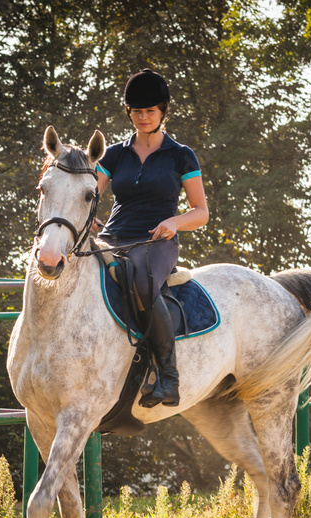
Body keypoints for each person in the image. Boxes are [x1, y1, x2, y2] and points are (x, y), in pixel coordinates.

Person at [95, 68, 209, 408]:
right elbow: (91, 194)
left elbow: (200, 212)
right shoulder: (114, 155)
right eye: (136, 111)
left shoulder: (181, 155)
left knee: (143, 284)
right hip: (113, 235)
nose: (142, 117)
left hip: (156, 241)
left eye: (150, 111)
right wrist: (85, 221)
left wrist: (174, 222)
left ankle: (169, 377)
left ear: (163, 112)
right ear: (128, 112)